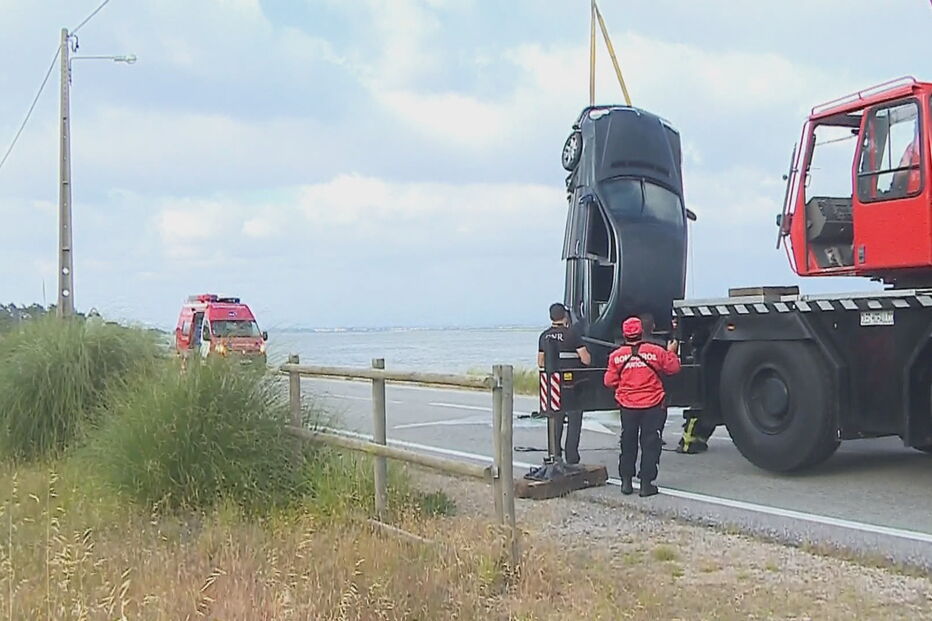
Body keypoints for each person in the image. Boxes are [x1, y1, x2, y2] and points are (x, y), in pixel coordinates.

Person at [603, 316, 681, 497]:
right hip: (653, 404)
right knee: (650, 443)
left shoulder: (616, 356)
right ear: (642, 332)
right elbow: (674, 368)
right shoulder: (656, 351)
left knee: (628, 441)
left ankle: (626, 482)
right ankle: (646, 484)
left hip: (628, 405)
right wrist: (672, 352)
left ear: (624, 334)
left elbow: (609, 381)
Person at [538, 303, 591, 464]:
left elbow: (540, 362)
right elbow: (586, 359)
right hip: (573, 383)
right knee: (574, 418)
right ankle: (572, 456)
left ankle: (555, 454)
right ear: (565, 316)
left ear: (551, 317)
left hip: (553, 383)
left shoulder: (544, 336)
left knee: (556, 418)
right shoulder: (572, 334)